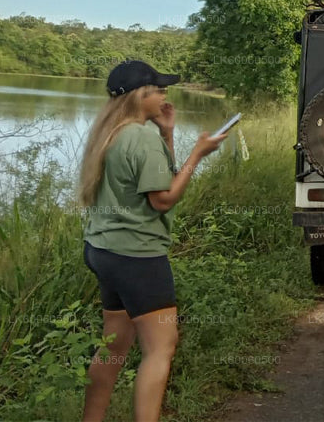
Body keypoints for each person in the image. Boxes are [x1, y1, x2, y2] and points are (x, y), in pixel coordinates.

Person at [77, 60, 226, 422]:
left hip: (103, 251)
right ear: (139, 95)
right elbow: (163, 199)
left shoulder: (112, 132)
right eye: (158, 89)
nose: (164, 94)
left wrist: (169, 135)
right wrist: (197, 154)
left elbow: (156, 180)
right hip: (137, 257)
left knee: (114, 346)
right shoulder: (140, 137)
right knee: (161, 349)